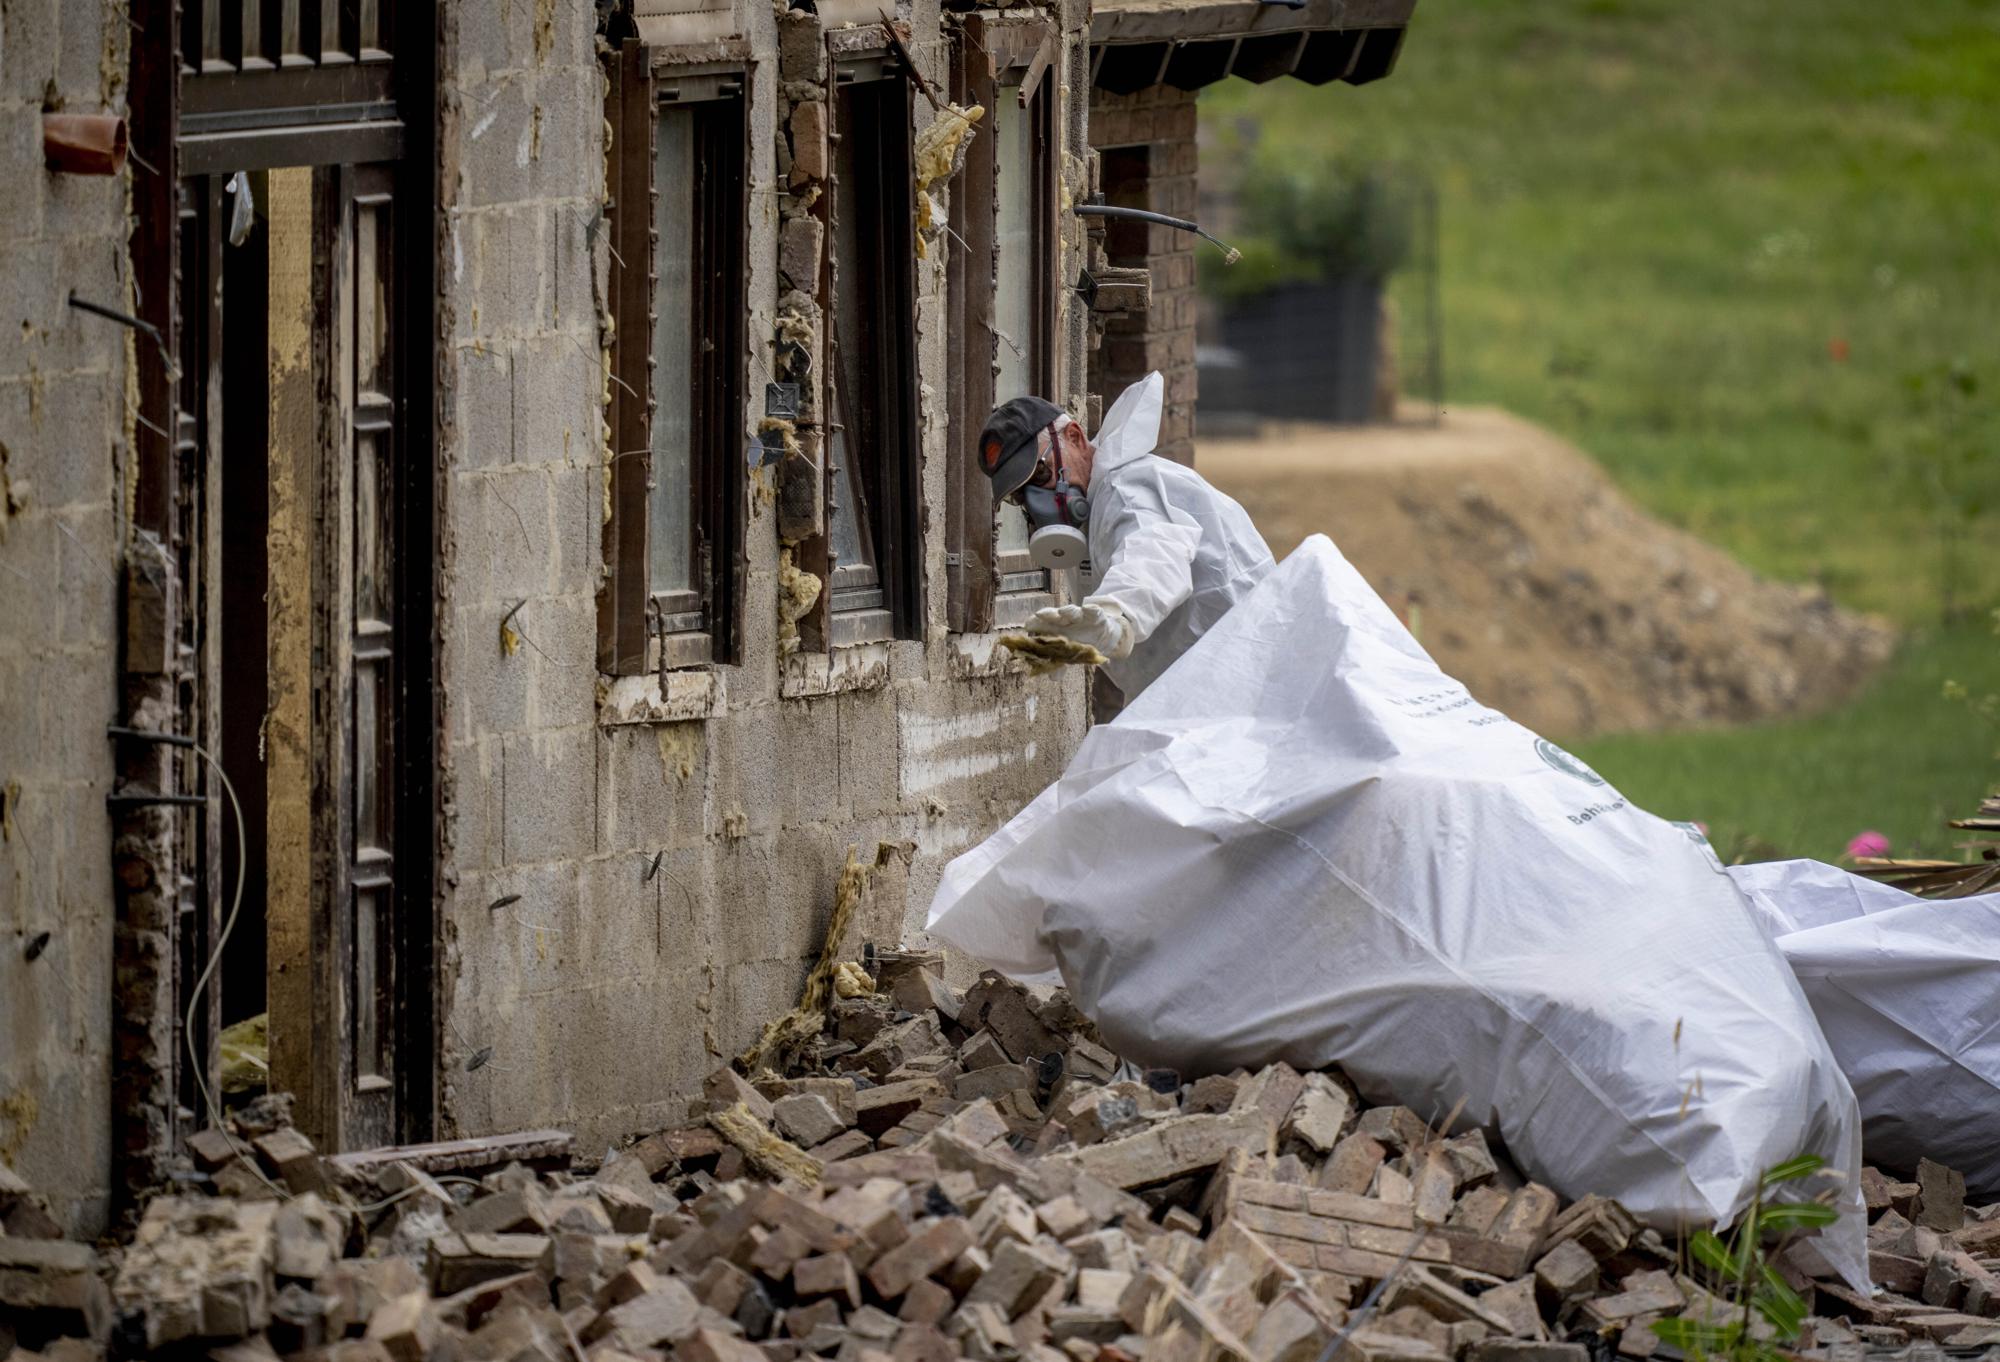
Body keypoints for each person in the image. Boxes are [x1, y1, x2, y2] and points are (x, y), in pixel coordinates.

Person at [975, 372, 1276, 700]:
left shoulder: (1126, 488)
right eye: (1022, 496)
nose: (1036, 501)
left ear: (1075, 437)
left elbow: (1156, 551)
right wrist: (1081, 638)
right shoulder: (1096, 511)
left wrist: (1115, 612)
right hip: (1210, 690)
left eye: (1042, 474)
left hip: (1242, 686)